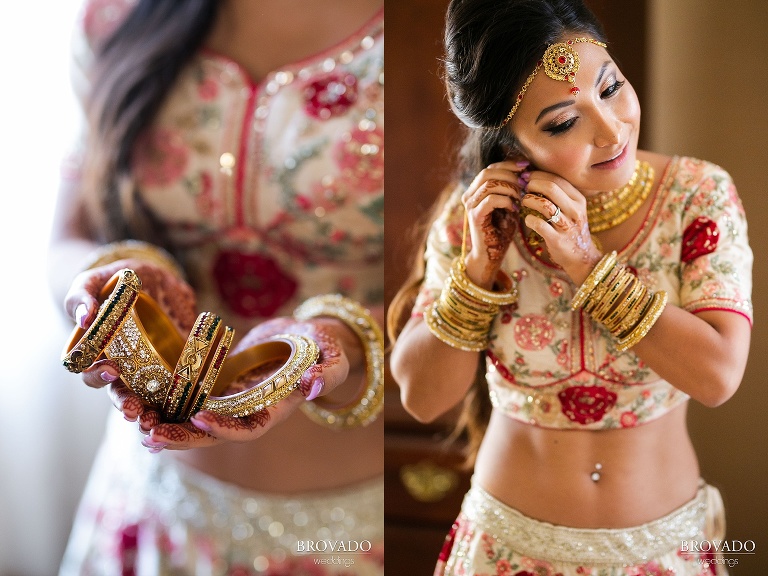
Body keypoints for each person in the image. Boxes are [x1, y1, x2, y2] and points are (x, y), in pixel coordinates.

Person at [388, 0, 752, 574]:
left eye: (611, 88)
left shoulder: (696, 195)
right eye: (563, 122)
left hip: (661, 549)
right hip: (505, 548)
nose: (611, 130)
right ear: (510, 141)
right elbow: (425, 397)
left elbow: (717, 375)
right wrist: (479, 269)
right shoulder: (475, 221)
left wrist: (588, 264)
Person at [49, 0, 384, 573]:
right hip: (150, 499)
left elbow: (456, 279)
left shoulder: (442, 32)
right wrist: (103, 290)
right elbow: (68, 239)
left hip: (347, 531)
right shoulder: (116, 17)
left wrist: (345, 343)